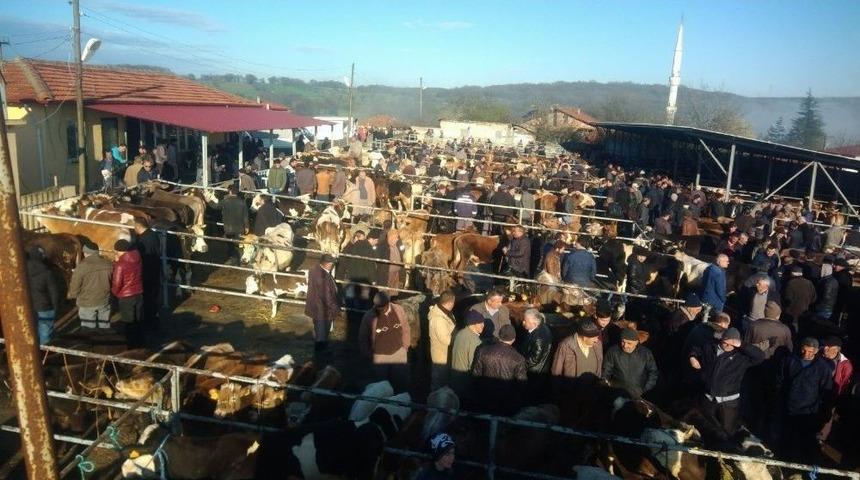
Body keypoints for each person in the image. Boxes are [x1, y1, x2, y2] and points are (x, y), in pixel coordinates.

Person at [689, 327, 764, 435]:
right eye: (726, 342)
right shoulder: (710, 347)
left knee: (727, 431)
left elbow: (760, 356)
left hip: (728, 402)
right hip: (708, 398)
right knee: (705, 428)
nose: (729, 345)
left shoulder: (742, 356)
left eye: (733, 343)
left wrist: (742, 345)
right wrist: (693, 357)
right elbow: (696, 349)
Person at [777, 337, 833, 463]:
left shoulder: (822, 368)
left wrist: (822, 412)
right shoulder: (789, 360)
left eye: (810, 352)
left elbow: (826, 392)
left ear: (816, 351)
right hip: (788, 408)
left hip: (808, 412)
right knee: (786, 440)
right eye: (804, 350)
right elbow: (780, 381)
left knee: (804, 443)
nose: (806, 354)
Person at [359, 292, 411, 393]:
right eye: (377, 307)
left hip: (398, 354)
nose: (379, 310)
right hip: (380, 357)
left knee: (400, 384)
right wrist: (369, 355)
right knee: (381, 386)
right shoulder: (369, 316)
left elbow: (405, 328)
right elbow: (363, 338)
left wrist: (405, 347)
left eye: (382, 307)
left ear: (388, 304)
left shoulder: (398, 310)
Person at [471, 324, 528, 415]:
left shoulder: (482, 351)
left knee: (484, 423)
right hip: (505, 400)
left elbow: (476, 374)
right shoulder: (518, 358)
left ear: (499, 336)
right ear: (514, 339)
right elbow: (521, 384)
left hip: (485, 396)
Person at [602, 328, 659, 398]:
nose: (625, 346)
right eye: (623, 342)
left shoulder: (646, 354)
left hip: (639, 395)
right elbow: (606, 371)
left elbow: (653, 372)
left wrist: (646, 389)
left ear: (636, 342)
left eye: (629, 343)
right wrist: (606, 386)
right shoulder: (613, 352)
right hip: (617, 394)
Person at [68, 243, 112, 330]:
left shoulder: (82, 266)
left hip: (87, 302)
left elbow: (75, 284)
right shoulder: (108, 263)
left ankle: (90, 342)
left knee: (88, 327)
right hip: (104, 300)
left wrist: (72, 295)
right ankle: (105, 341)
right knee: (105, 326)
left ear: (85, 253)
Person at [551, 319, 604, 393]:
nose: (596, 340)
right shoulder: (566, 346)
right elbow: (556, 371)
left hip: (592, 391)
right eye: (594, 338)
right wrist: (557, 392)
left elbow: (600, 366)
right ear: (585, 338)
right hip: (572, 391)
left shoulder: (598, 345)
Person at [305, 254, 341, 352]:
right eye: (331, 263)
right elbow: (327, 297)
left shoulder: (315, 270)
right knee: (322, 337)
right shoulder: (322, 277)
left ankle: (319, 354)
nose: (332, 265)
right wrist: (336, 309)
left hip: (318, 308)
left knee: (319, 334)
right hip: (323, 311)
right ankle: (320, 357)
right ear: (326, 264)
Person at [111, 239, 144, 347]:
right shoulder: (137, 257)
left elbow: (117, 283)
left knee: (128, 323)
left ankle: (131, 346)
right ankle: (140, 342)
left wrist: (114, 294)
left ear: (119, 251)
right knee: (138, 321)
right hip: (138, 293)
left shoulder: (120, 264)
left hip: (126, 297)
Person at [26, 246, 61, 345]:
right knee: (44, 333)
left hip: (27, 306)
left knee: (29, 330)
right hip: (44, 307)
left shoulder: (22, 271)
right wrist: (55, 307)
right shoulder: (47, 273)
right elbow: (53, 292)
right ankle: (43, 355)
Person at [133, 217, 161, 331]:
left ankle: (150, 323)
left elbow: (145, 257)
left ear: (138, 226)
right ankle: (153, 321)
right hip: (155, 270)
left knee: (147, 299)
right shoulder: (153, 234)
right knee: (153, 297)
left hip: (147, 272)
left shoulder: (142, 241)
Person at [450, 310, 485, 400]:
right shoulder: (474, 341)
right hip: (464, 381)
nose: (483, 325)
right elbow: (473, 364)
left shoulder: (461, 333)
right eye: (480, 323)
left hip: (454, 376)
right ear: (473, 324)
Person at [518, 308, 553, 398]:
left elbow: (534, 359)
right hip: (535, 370)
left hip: (535, 372)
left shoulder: (539, 338)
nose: (523, 323)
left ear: (534, 323)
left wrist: (519, 366)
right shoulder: (538, 329)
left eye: (525, 321)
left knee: (531, 396)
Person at [428, 291, 457, 390]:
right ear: (450, 302)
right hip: (441, 356)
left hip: (446, 354)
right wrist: (458, 338)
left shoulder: (445, 313)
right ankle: (435, 403)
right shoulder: (439, 319)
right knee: (439, 382)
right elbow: (446, 340)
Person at [219, 185, 249, 265]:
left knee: (230, 244)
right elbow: (245, 216)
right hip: (240, 228)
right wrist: (247, 226)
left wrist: (208, 200)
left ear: (230, 191)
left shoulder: (225, 201)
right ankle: (242, 260)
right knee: (240, 245)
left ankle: (233, 259)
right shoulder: (242, 202)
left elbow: (216, 207)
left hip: (228, 228)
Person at [782, 265, 816, 333]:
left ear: (792, 273)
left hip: (792, 314)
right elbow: (814, 298)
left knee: (792, 331)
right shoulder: (809, 283)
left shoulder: (790, 283)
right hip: (804, 312)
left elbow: (787, 300)